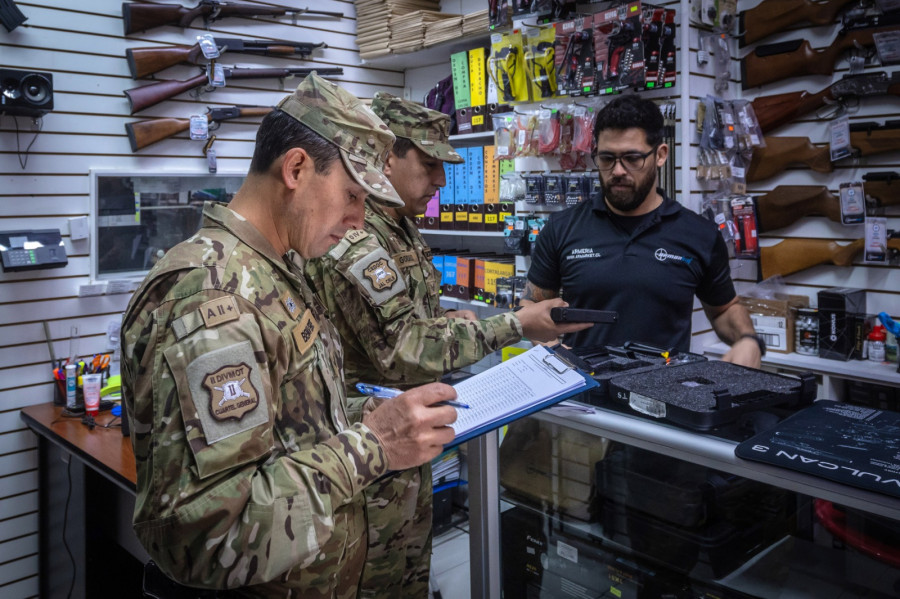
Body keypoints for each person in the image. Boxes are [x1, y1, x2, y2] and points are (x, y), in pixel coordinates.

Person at [120, 74, 460, 598]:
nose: (359, 220)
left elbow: (285, 425)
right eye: (352, 195)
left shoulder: (278, 269)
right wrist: (371, 446)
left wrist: (354, 418)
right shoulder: (213, 296)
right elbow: (211, 536)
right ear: (297, 168)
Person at [305, 92, 591, 597]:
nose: (440, 180)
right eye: (430, 163)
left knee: (413, 577)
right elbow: (405, 348)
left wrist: (440, 319)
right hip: (370, 455)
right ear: (387, 157)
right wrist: (516, 325)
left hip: (407, 442)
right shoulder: (360, 238)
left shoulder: (400, 228)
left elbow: (393, 324)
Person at [521, 93, 764, 368]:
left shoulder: (699, 234)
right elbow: (530, 307)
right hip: (585, 400)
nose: (618, 170)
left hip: (668, 397)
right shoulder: (562, 228)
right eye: (607, 158)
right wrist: (554, 349)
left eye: (632, 158)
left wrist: (747, 339)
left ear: (660, 155)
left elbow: (725, 309)